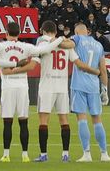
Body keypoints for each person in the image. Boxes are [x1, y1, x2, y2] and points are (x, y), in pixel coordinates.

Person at [25, 19, 77, 162]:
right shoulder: (66, 43)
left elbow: (37, 57)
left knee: (43, 120)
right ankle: (65, 154)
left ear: (43, 30)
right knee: (64, 119)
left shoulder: (42, 41)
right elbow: (75, 60)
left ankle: (43, 154)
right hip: (62, 85)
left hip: (47, 84)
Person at [0, 20, 38, 162]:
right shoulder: (27, 47)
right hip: (22, 85)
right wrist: (19, 69)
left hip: (8, 86)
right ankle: (25, 155)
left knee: (7, 121)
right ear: (19, 33)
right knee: (23, 121)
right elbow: (31, 66)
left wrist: (10, 71)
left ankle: (6, 154)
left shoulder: (1, 46)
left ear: (6, 33)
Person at [70, 20, 110, 162]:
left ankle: (87, 153)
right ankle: (104, 153)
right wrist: (105, 89)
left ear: (76, 32)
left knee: (81, 118)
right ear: (88, 31)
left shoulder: (76, 39)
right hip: (94, 86)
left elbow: (67, 45)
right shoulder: (98, 45)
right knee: (97, 119)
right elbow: (103, 70)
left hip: (79, 84)